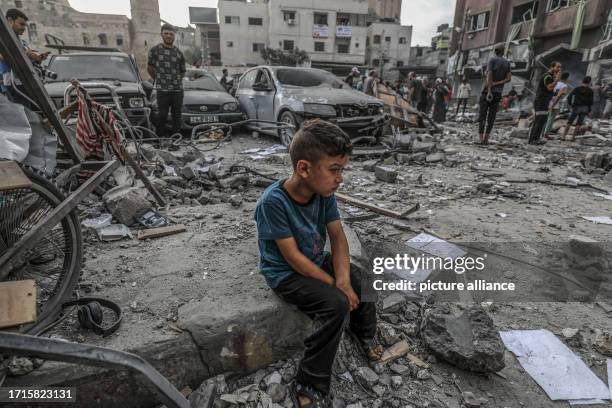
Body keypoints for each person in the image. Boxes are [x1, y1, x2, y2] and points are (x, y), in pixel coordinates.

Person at [254, 119, 382, 407]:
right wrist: (336, 286)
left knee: (363, 279)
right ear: (303, 168)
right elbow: (293, 258)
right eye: (334, 170)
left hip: (314, 260)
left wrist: (345, 280)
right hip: (286, 274)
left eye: (342, 170)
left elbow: (337, 238)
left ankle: (365, 333)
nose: (340, 178)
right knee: (335, 303)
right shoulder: (272, 203)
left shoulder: (324, 193)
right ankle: (311, 380)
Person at [147, 23, 186, 137]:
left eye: (171, 34)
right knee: (162, 115)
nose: (169, 36)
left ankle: (175, 140)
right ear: (162, 34)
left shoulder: (179, 53)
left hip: (177, 91)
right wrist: (159, 79)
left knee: (176, 116)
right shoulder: (155, 50)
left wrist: (175, 81)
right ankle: (159, 139)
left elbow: (182, 71)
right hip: (162, 90)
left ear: (174, 36)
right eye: (166, 34)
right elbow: (150, 67)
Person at [0, 9, 49, 98]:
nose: (24, 28)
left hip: (23, 84)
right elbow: (2, 56)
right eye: (21, 24)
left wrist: (37, 59)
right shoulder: (2, 39)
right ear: (10, 21)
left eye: (25, 25)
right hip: (9, 86)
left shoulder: (22, 42)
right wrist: (24, 54)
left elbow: (28, 55)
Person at [478, 45, 512, 145]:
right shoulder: (507, 63)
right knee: (491, 117)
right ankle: (486, 139)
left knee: (483, 115)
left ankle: (481, 139)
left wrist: (489, 90)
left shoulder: (491, 60)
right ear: (503, 52)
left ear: (495, 51)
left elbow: (489, 75)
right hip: (498, 93)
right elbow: (509, 78)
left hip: (487, 92)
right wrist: (498, 83)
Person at [528, 61, 562, 145]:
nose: (559, 69)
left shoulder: (550, 76)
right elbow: (550, 88)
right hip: (541, 101)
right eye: (558, 67)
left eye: (560, 67)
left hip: (544, 101)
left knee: (542, 120)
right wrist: (557, 80)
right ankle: (533, 140)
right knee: (539, 120)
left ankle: (536, 138)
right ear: (552, 67)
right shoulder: (547, 76)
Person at [563, 76, 594, 140]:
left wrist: (571, 105)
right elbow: (591, 102)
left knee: (569, 122)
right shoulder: (590, 91)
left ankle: (563, 136)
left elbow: (569, 97)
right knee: (579, 123)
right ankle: (573, 137)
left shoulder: (577, 89)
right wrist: (589, 110)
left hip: (576, 107)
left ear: (583, 81)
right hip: (585, 108)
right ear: (590, 82)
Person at [543, 72, 570, 138]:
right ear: (567, 78)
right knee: (551, 119)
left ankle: (541, 132)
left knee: (545, 118)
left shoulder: (555, 83)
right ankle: (546, 134)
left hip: (548, 101)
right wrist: (553, 105)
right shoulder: (564, 86)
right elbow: (559, 95)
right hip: (555, 103)